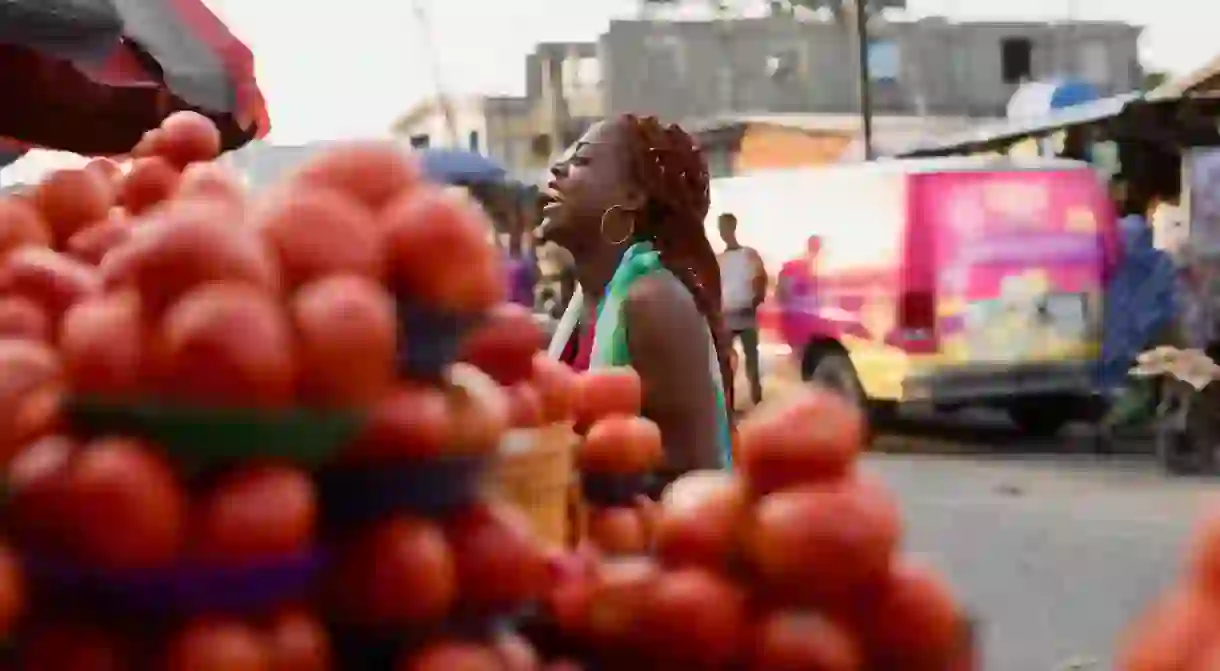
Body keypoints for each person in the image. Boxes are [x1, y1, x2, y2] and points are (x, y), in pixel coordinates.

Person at [540, 114, 733, 477]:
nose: (557, 168)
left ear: (631, 196)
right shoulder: (586, 304)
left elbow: (696, 478)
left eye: (581, 160)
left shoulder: (653, 301)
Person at [716, 212, 767, 406]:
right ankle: (728, 404)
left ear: (733, 227)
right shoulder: (719, 259)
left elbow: (760, 279)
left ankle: (757, 400)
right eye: (721, 227)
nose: (723, 231)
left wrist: (754, 302)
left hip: (745, 315)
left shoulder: (749, 254)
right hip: (726, 316)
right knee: (727, 363)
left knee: (751, 360)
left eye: (726, 227)